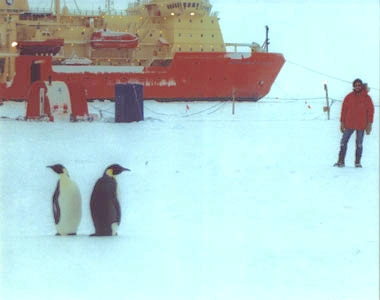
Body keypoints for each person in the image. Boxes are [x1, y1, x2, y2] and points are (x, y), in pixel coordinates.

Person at [334, 78, 374, 168]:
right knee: (343, 142)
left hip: (361, 125)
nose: (357, 87)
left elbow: (370, 111)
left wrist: (369, 124)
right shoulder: (349, 97)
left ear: (362, 86)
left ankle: (357, 162)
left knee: (359, 144)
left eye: (359, 85)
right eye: (355, 85)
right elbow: (344, 110)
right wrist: (342, 122)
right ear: (353, 86)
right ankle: (341, 161)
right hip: (349, 124)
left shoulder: (367, 98)